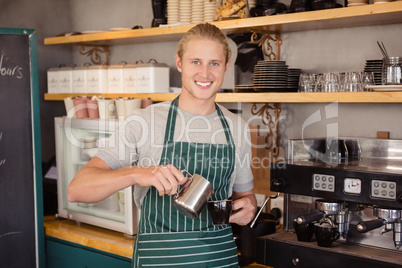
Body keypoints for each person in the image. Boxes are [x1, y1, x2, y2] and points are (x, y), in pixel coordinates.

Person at [68, 22, 257, 267]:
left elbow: (246, 196)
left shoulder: (237, 128)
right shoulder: (143, 121)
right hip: (159, 260)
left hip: (218, 260)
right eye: (195, 62)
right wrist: (137, 173)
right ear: (179, 63)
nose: (205, 73)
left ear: (225, 66)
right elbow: (77, 189)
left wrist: (249, 207)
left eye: (214, 63)